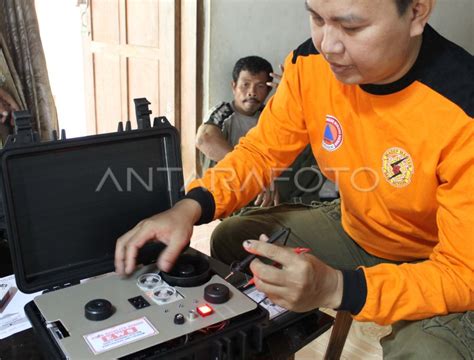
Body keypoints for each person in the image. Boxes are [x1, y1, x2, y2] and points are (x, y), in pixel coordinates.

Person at [115, 0, 473, 358]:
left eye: (351, 28)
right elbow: (261, 152)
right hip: (358, 225)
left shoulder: (462, 108)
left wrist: (337, 288)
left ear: (416, 13)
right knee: (234, 242)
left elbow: (462, 271)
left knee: (430, 353)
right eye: (317, 18)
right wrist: (189, 206)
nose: (327, 44)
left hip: (437, 258)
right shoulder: (310, 66)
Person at [197, 56, 323, 206]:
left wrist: (292, 95)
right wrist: (253, 173)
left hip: (265, 185)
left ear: (269, 89)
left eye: (260, 86)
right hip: (233, 184)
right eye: (245, 85)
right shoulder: (223, 112)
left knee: (317, 139)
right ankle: (234, 206)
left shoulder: (270, 113)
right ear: (234, 86)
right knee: (211, 141)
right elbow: (204, 139)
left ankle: (291, 205)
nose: (252, 92)